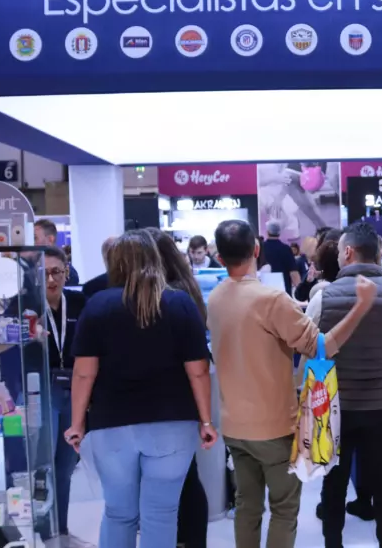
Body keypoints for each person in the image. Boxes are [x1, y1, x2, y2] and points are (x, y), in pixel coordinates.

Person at [208, 219, 377, 548]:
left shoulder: (215, 299)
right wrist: (360, 307)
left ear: (219, 257)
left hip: (234, 426)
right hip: (274, 427)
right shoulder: (271, 300)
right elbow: (322, 347)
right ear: (256, 249)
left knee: (247, 505)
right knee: (284, 510)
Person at [65, 231, 218, 548]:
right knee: (161, 515)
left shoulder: (98, 306)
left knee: (118, 513)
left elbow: (83, 373)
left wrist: (77, 423)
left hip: (112, 426)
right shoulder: (180, 303)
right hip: (173, 425)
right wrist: (206, 421)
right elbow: (198, 370)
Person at [305, 221, 382, 548]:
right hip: (381, 406)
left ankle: (333, 544)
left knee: (334, 484)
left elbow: (309, 354)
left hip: (333, 408)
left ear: (347, 252)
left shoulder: (323, 297)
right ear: (377, 254)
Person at [143, 227, 209, 548]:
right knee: (184, 474)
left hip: (167, 396)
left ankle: (184, 540)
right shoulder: (185, 288)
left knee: (178, 478)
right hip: (180, 396)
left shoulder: (170, 295)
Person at [39, 246, 90, 548]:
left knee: (66, 466)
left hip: (75, 389)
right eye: (44, 273)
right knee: (43, 466)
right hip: (41, 391)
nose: (51, 279)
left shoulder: (80, 303)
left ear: (66, 272)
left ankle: (60, 532)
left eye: (56, 272)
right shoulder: (26, 305)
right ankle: (43, 533)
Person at [35, 219, 80, 284]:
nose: (32, 242)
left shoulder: (70, 274)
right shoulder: (30, 270)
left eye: (35, 238)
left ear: (50, 239)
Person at [262, 220, 301, 293]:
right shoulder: (286, 249)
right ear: (279, 233)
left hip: (264, 290)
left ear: (267, 232)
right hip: (283, 291)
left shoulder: (261, 248)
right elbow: (293, 272)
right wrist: (300, 291)